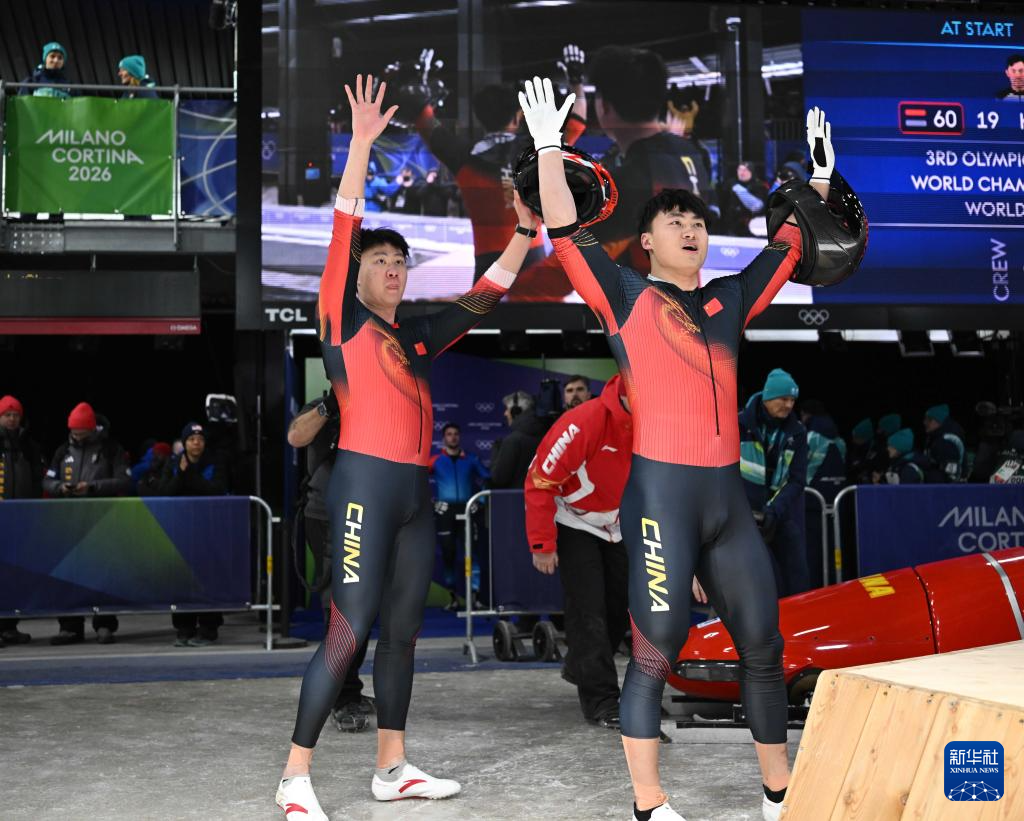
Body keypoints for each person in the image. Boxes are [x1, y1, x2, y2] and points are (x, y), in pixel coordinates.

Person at [521, 75, 835, 820]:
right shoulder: (625, 296)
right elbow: (564, 230)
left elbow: (790, 245)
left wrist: (820, 180)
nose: (690, 229)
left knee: (764, 644)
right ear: (648, 240)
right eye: (674, 220)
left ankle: (778, 795)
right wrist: (547, 148)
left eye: (697, 220)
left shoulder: (729, 300)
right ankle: (649, 804)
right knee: (656, 649)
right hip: (661, 497)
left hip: (726, 501)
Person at [277, 74, 539, 819]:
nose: (392, 269)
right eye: (379, 262)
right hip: (363, 487)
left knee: (403, 634)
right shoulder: (342, 320)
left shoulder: (416, 336)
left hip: (415, 499)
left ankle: (391, 767)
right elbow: (343, 225)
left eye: (400, 262)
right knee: (347, 631)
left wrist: (524, 232)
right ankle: (295, 777)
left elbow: (484, 295)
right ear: (356, 275)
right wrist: (360, 143)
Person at [514, 45, 716, 299]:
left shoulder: (628, 185)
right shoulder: (691, 152)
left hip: (648, 314)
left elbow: (563, 271)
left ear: (605, 107)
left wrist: (501, 298)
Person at [412, 45, 587, 280]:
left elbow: (423, 120)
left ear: (480, 118)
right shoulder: (537, 149)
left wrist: (420, 86)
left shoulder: (461, 154)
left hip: (488, 263)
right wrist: (576, 82)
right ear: (518, 116)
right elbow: (577, 122)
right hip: (532, 258)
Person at [525, 374, 632, 729]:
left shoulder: (659, 421)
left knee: (619, 607)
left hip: (618, 523)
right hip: (574, 521)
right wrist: (542, 544)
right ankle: (602, 701)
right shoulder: (584, 421)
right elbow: (539, 480)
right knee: (589, 611)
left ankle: (580, 664)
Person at [288, 391, 374, 733]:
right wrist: (330, 406)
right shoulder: (320, 407)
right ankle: (340, 697)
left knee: (362, 607)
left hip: (365, 516)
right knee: (338, 607)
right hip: (325, 517)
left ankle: (347, 687)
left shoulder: (374, 404)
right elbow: (296, 436)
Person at [43, 402, 132, 645]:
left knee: (102, 573)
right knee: (68, 573)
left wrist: (92, 487)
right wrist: (60, 487)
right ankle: (70, 627)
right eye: (74, 432)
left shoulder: (111, 449)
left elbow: (124, 480)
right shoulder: (63, 450)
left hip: (102, 519)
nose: (77, 436)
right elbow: (47, 480)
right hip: (70, 520)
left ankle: (104, 625)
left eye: (82, 432)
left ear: (92, 429)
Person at [739, 370, 810, 598]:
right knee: (754, 581)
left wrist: (774, 510)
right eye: (784, 399)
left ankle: (799, 617)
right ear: (769, 396)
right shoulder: (738, 425)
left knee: (797, 575)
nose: (789, 405)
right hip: (742, 517)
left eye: (793, 400)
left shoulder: (797, 432)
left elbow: (797, 480)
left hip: (777, 515)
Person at [160, 422, 228, 646]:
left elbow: (216, 490)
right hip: (181, 531)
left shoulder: (215, 462)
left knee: (207, 580)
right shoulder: (173, 463)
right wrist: (180, 474)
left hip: (209, 531)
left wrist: (189, 474)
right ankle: (184, 628)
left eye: (200, 439)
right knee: (181, 580)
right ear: (184, 442)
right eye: (191, 439)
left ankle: (208, 629)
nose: (196, 443)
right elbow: (165, 491)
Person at [0, 395, 46, 646]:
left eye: (15, 415)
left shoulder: (30, 446)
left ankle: (9, 627)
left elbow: (39, 480)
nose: (11, 419)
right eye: (7, 415)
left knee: (14, 576)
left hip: (21, 519)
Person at [429, 423, 489, 607]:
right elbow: (415, 481)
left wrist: (480, 501)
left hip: (467, 510)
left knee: (472, 553)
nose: (453, 437)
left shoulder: (471, 459)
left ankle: (475, 596)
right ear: (443, 438)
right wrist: (431, 502)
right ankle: (453, 598)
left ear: (459, 437)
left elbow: (488, 479)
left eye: (456, 434)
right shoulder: (435, 460)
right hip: (445, 512)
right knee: (448, 554)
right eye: (449, 434)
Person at [800, 399, 846, 588]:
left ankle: (815, 589)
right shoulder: (839, 440)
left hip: (813, 500)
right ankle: (837, 586)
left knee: (813, 549)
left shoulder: (811, 437)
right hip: (837, 499)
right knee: (835, 545)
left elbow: (801, 467)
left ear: (806, 414)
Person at [489, 390, 549, 488]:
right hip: (540, 495)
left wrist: (496, 451)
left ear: (515, 411)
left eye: (507, 409)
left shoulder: (512, 441)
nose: (505, 413)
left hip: (516, 497)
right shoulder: (548, 436)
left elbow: (499, 478)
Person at [723, 161, 769, 237]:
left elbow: (757, 207)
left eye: (745, 170)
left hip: (753, 228)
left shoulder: (760, 186)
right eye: (740, 169)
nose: (742, 172)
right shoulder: (730, 184)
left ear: (751, 172)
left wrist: (738, 189)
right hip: (733, 228)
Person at [923, 404, 966, 482]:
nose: (925, 422)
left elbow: (951, 475)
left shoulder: (947, 442)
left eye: (929, 420)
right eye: (925, 419)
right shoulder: (936, 437)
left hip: (946, 488)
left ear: (939, 421)